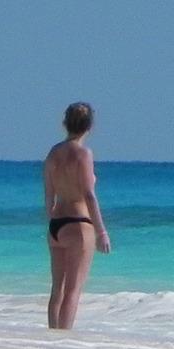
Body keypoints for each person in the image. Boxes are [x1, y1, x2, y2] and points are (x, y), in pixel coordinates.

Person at [43, 101, 111, 330]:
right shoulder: (83, 153)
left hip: (56, 225)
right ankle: (63, 341)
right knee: (73, 290)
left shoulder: (53, 152)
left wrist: (51, 221)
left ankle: (52, 337)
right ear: (89, 127)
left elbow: (49, 195)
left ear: (65, 123)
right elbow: (89, 195)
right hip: (79, 224)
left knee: (57, 290)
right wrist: (101, 231)